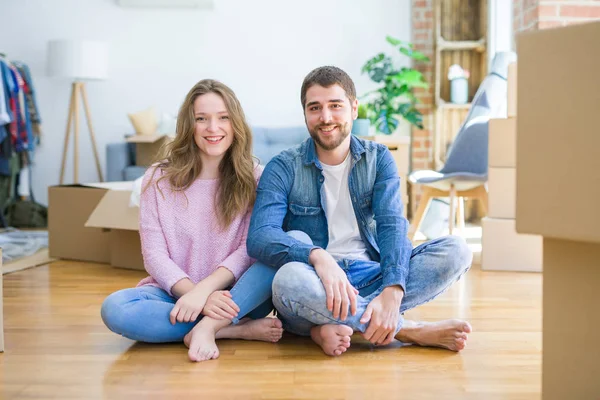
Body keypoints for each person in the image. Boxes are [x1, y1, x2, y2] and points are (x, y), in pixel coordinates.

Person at [246, 66, 473, 357]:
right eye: (315, 108)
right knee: (287, 280)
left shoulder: (378, 159)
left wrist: (393, 290)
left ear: (354, 108)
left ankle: (328, 324)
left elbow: (392, 226)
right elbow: (261, 237)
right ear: (305, 113)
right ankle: (407, 330)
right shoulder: (282, 166)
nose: (325, 117)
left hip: (371, 275)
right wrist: (318, 257)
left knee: (456, 250)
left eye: (335, 106)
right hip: (315, 280)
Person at [101, 79, 283, 362]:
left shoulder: (255, 178)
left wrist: (207, 291)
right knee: (115, 309)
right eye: (202, 119)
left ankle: (211, 327)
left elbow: (249, 249)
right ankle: (227, 330)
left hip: (237, 298)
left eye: (223, 118)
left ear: (235, 124)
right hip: (176, 294)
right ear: (189, 125)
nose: (213, 128)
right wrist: (196, 295)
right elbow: (154, 255)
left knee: (275, 254)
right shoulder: (158, 178)